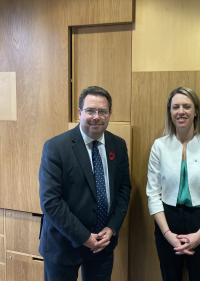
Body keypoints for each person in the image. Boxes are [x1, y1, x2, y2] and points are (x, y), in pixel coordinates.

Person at [39, 86, 131, 281]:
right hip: (63, 244)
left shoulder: (119, 145)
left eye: (102, 111)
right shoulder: (56, 147)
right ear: (80, 112)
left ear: (110, 114)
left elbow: (123, 189)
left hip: (102, 245)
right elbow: (51, 202)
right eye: (90, 111)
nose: (96, 116)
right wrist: (85, 238)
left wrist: (113, 227)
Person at [146, 87, 200, 281]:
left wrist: (199, 236)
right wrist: (168, 235)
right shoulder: (159, 146)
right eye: (175, 107)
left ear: (196, 111)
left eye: (186, 106)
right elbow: (152, 194)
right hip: (167, 220)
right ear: (170, 112)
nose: (180, 111)